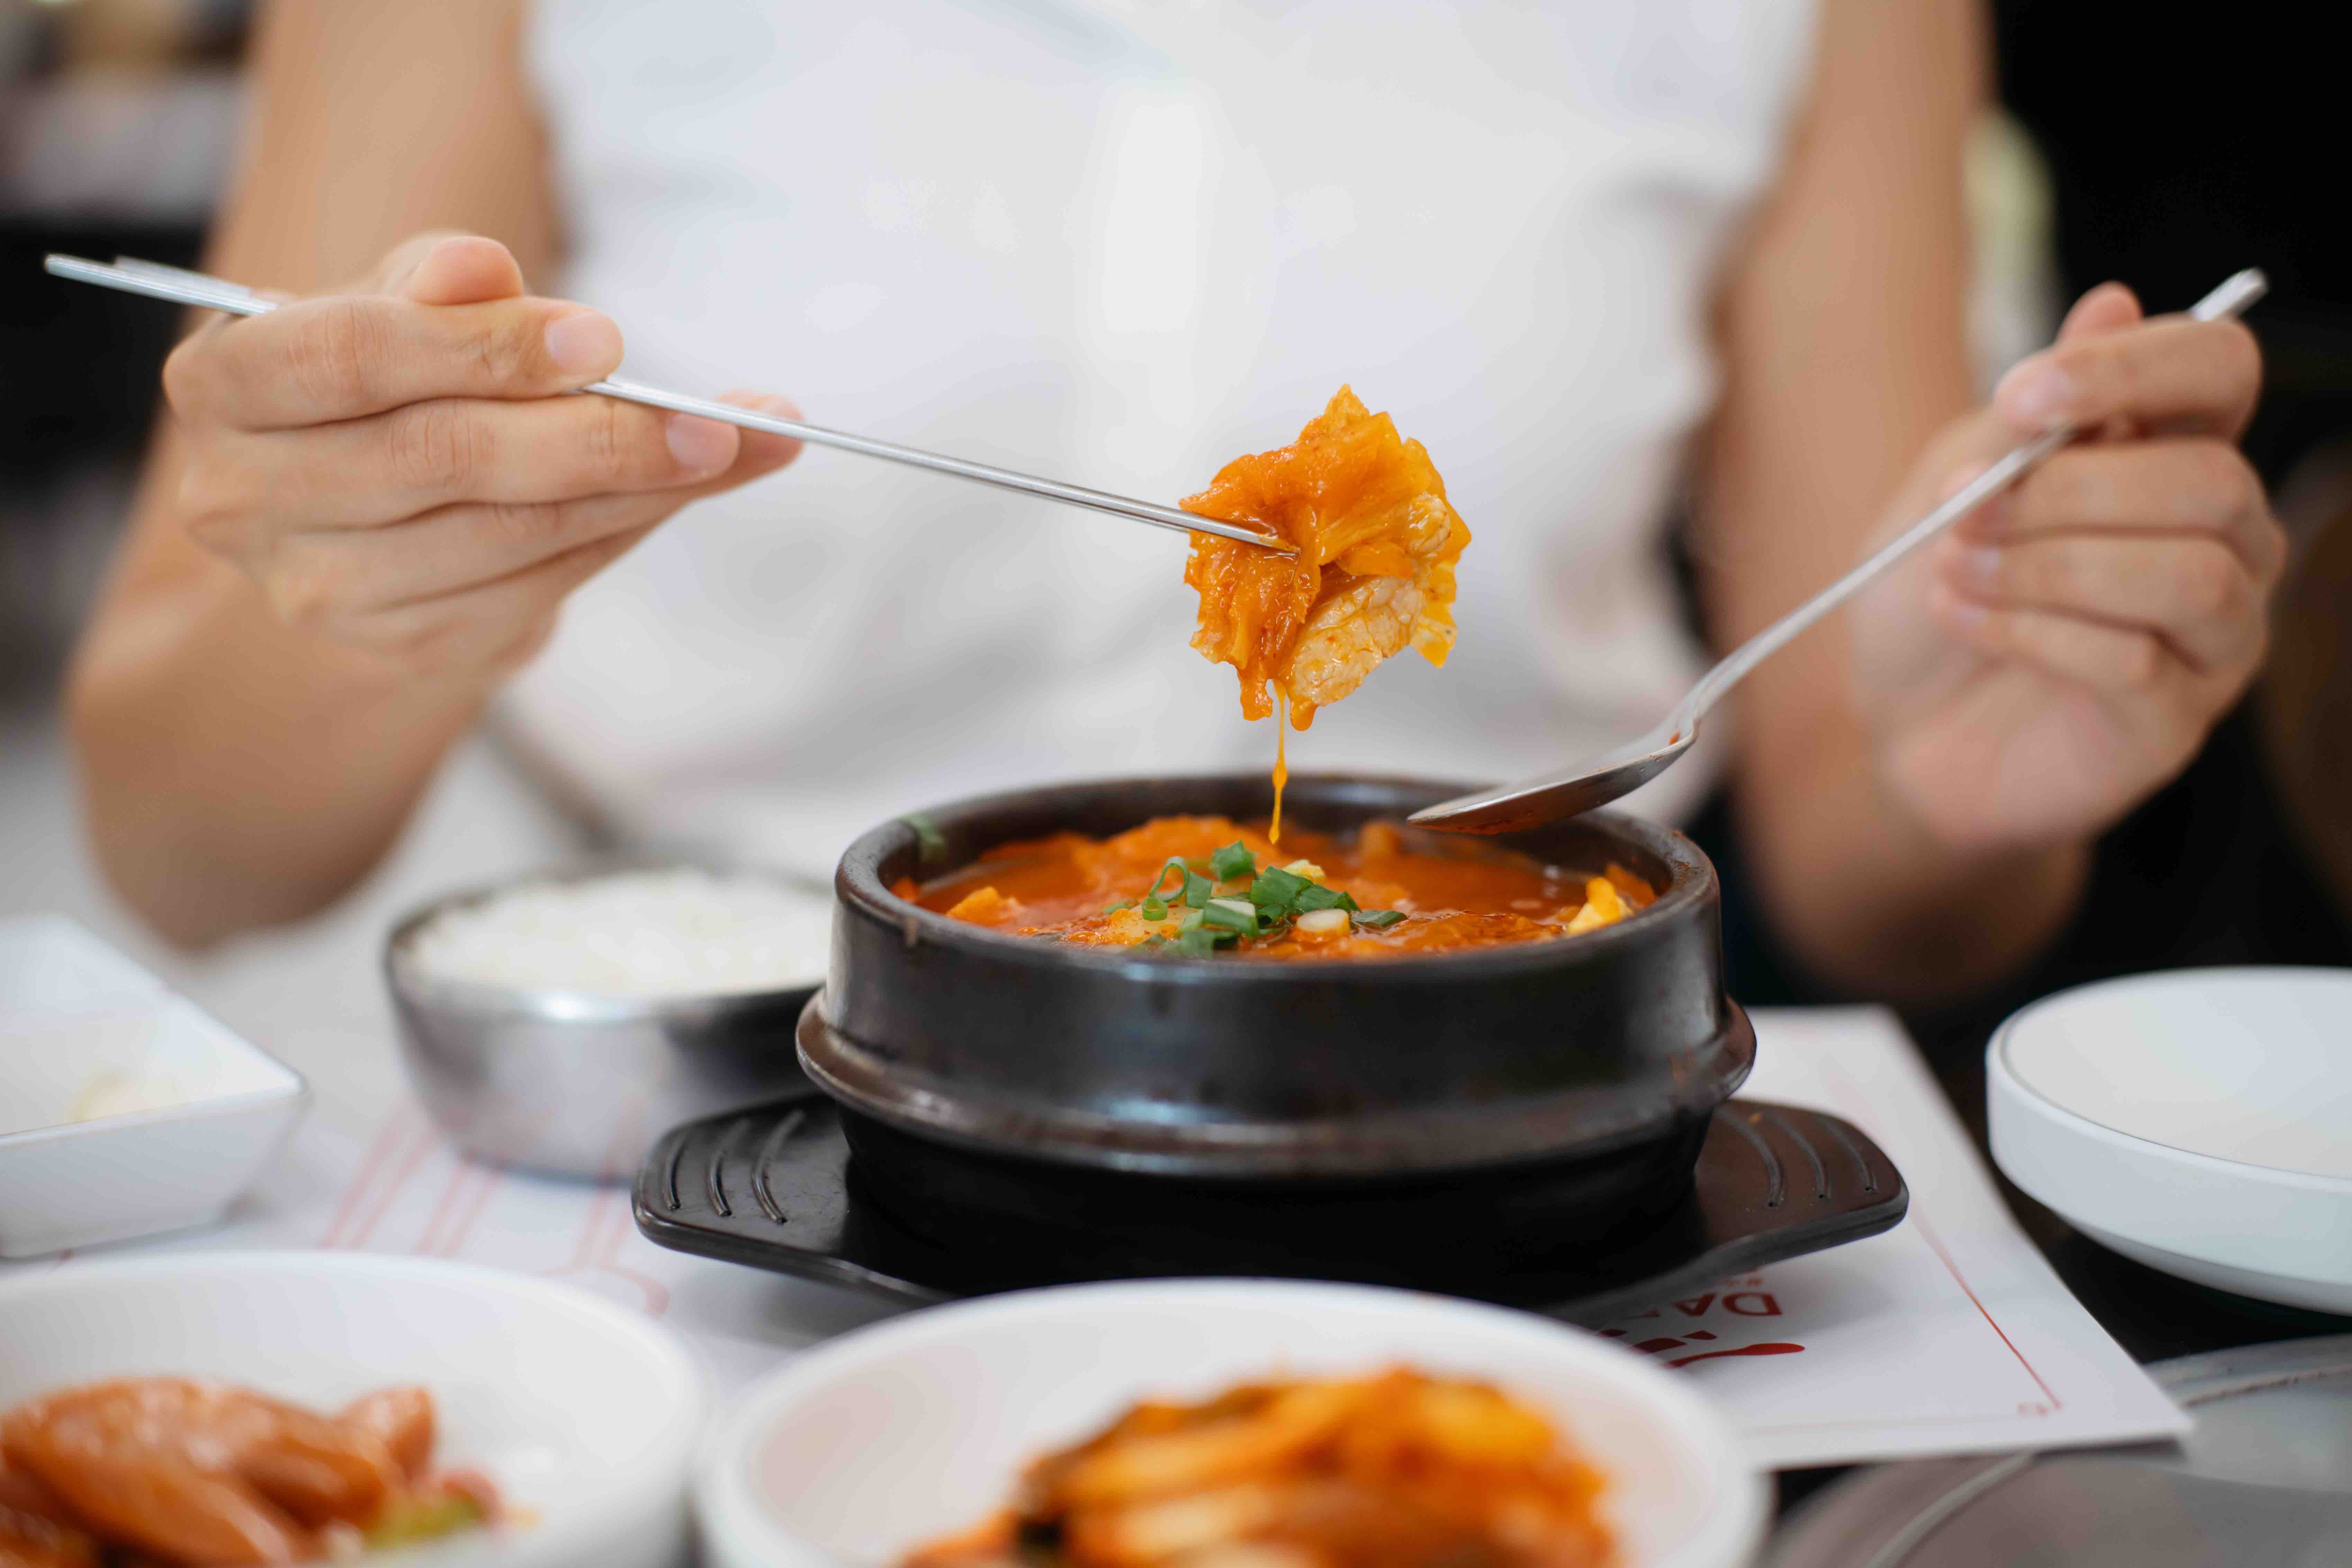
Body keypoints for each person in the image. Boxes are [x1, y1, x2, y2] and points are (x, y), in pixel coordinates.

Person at [68, 0, 2279, 1008]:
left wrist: (1967, 749)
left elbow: (1880, 877)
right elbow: (174, 844)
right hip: (679, 1086)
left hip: (1473, 1097)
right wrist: (384, 593)